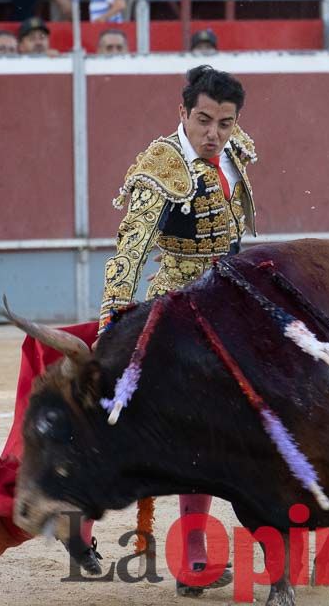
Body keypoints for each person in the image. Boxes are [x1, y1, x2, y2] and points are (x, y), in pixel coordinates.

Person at [99, 64, 253, 598]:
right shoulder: (160, 167)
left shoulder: (233, 148)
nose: (214, 133)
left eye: (225, 123)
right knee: (196, 426)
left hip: (234, 297)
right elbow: (131, 246)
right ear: (183, 114)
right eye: (204, 120)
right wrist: (114, 319)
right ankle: (191, 557)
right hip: (181, 304)